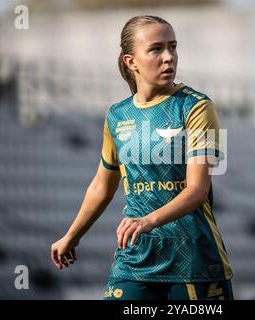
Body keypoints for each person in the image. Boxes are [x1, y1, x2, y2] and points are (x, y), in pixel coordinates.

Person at [50, 15, 234, 300]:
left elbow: (197, 190)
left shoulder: (198, 107)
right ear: (130, 61)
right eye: (156, 49)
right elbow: (102, 185)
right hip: (134, 261)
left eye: (173, 47)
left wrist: (147, 221)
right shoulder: (116, 115)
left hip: (193, 262)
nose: (168, 57)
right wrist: (72, 235)